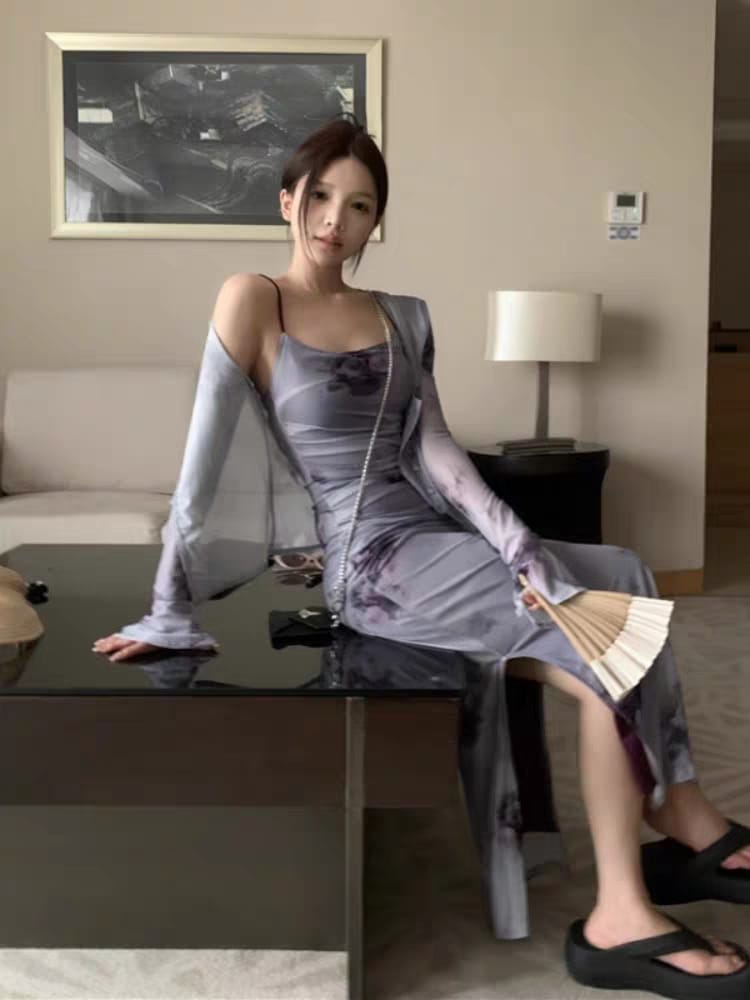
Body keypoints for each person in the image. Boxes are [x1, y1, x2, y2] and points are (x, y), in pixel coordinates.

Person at [93, 115, 750, 999]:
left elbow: (437, 449)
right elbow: (198, 468)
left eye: (360, 205)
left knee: (624, 571)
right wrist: (168, 608)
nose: (336, 219)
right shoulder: (254, 299)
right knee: (603, 637)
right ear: (287, 201)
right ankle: (625, 907)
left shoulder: (400, 315)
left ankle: (676, 809)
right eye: (320, 197)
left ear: (378, 220)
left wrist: (515, 540)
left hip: (435, 536)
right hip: (372, 565)